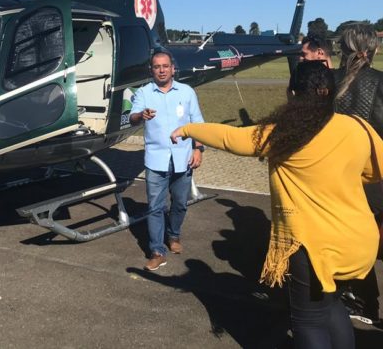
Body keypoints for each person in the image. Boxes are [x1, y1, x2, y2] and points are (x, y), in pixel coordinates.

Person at [171, 61, 381, 348]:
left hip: (315, 247)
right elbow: (374, 171)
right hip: (358, 241)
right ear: (331, 93)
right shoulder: (358, 127)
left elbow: (232, 137)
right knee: (331, 305)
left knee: (308, 318)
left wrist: (187, 129)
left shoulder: (283, 134)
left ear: (292, 94)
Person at [129, 51, 205, 271]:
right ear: (151, 70)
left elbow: (197, 124)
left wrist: (198, 149)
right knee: (155, 207)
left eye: (165, 66)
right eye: (156, 66)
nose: (161, 70)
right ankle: (156, 250)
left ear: (173, 68)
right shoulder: (143, 93)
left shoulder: (187, 92)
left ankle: (173, 235)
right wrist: (140, 115)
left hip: (183, 159)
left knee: (180, 204)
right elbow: (132, 116)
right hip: (156, 160)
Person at [333, 22, 382, 326]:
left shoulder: (329, 81)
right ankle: (366, 302)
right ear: (372, 49)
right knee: (369, 243)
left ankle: (350, 295)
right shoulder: (379, 81)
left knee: (341, 241)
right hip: (373, 177)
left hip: (335, 178)